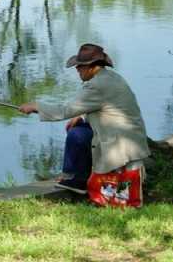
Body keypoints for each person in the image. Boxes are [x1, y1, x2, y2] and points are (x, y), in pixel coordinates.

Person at [19, 43, 151, 207]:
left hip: (120, 145)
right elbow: (101, 105)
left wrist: (36, 107)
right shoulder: (111, 78)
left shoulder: (97, 85)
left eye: (79, 66)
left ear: (91, 67)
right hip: (128, 138)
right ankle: (76, 178)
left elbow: (65, 110)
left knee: (77, 134)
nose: (77, 69)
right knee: (78, 130)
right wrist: (80, 115)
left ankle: (76, 179)